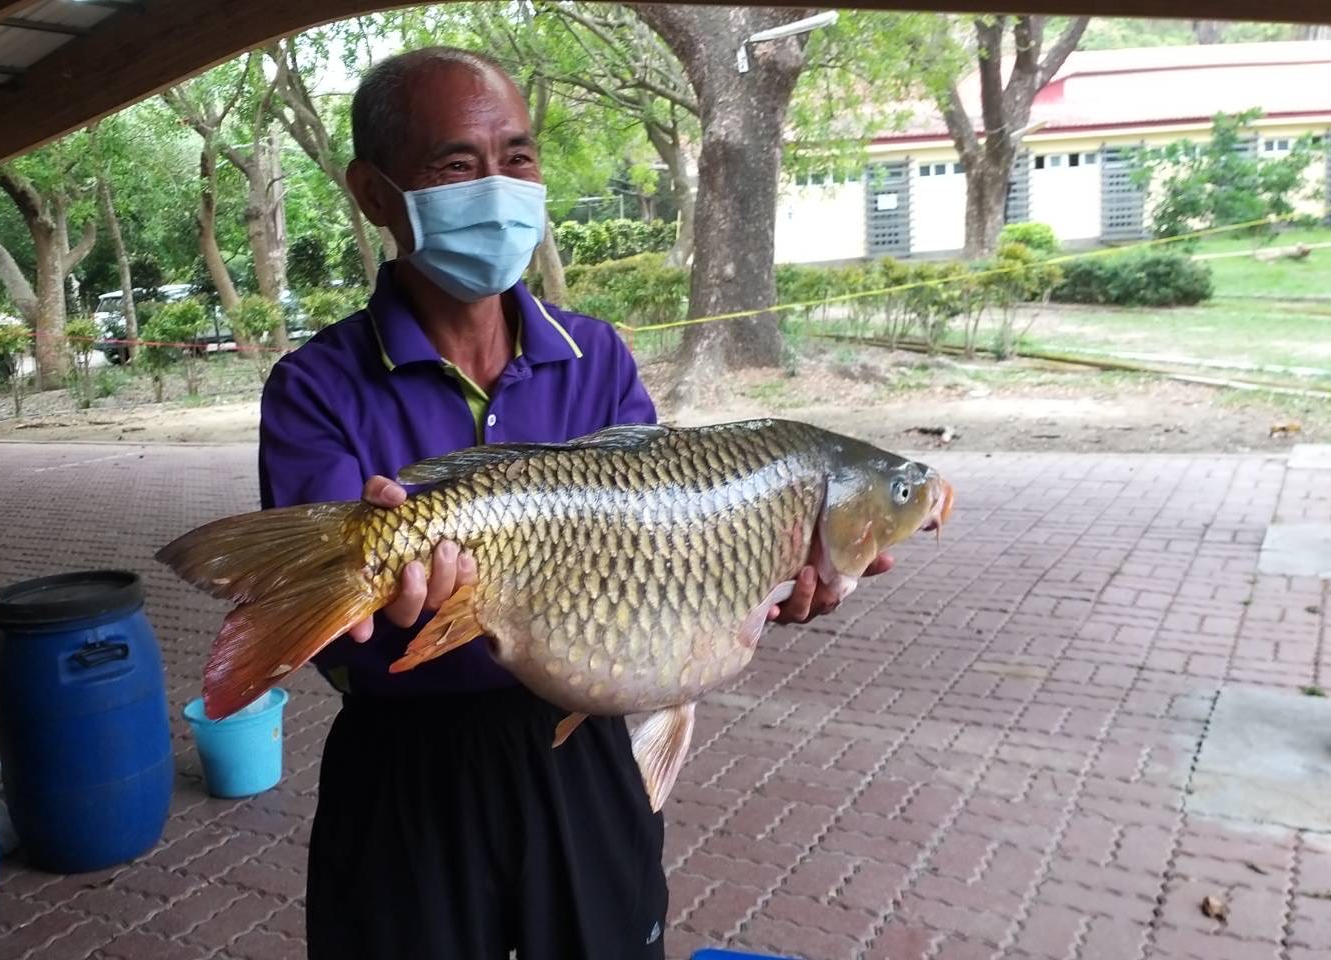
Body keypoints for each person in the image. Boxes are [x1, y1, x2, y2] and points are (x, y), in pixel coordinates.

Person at [256, 45, 892, 960]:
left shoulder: (599, 359)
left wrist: (766, 583)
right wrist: (381, 600)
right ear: (375, 193)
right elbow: (331, 634)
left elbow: (671, 551)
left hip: (577, 747)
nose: (498, 185)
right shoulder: (317, 386)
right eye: (456, 164)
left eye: (517, 157)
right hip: (404, 765)